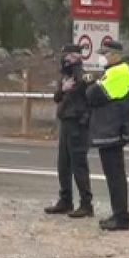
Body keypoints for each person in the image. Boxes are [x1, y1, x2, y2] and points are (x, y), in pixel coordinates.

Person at [84, 41, 129, 231]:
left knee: (115, 176)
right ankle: (118, 214)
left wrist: (93, 84)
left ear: (116, 55)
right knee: (114, 175)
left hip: (112, 132)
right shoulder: (115, 72)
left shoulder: (118, 73)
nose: (102, 57)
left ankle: (121, 218)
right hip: (111, 131)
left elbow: (93, 95)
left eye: (105, 53)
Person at [45, 44, 94, 219]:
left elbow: (92, 100)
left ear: (78, 56)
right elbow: (57, 98)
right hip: (65, 122)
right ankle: (65, 200)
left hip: (78, 124)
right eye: (65, 55)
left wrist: (84, 121)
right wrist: (62, 89)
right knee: (63, 164)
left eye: (70, 56)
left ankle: (86, 204)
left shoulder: (83, 76)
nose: (66, 59)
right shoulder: (66, 76)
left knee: (78, 165)